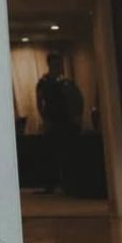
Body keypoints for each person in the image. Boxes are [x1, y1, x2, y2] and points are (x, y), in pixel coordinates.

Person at [36, 53, 84, 193]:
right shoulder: (44, 82)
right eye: (55, 64)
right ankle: (52, 183)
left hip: (68, 121)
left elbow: (77, 99)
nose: (58, 67)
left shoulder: (67, 82)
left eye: (59, 64)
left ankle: (69, 183)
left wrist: (77, 117)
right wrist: (45, 119)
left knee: (69, 154)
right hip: (53, 120)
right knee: (52, 154)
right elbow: (39, 101)